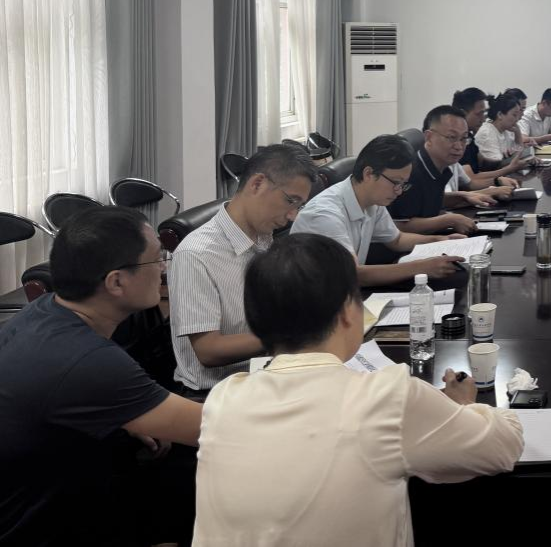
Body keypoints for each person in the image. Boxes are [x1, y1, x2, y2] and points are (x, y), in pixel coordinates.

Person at [192, 233, 523, 546]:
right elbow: (504, 447)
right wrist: (465, 406)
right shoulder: (386, 396)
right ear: (347, 313)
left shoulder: (223, 399)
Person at [0, 207, 203, 546]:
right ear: (116, 281)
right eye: (157, 259)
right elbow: (211, 428)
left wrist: (126, 417)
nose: (164, 268)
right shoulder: (87, 360)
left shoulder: (45, 309)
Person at [169, 143, 319, 394]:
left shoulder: (264, 235)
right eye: (290, 201)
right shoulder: (196, 255)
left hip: (267, 373)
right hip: (218, 392)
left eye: (299, 205)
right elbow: (208, 350)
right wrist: (289, 335)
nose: (293, 215)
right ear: (257, 184)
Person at [290, 134, 467, 287]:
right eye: (395, 183)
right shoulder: (324, 215)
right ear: (369, 174)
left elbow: (397, 239)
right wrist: (421, 267)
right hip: (316, 305)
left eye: (403, 184)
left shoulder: (372, 200)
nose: (399, 191)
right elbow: (354, 274)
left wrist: (440, 241)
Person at [389, 105, 486, 236]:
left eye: (464, 138)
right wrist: (450, 220)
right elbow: (398, 226)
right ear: (429, 137)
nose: (459, 146)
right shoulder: (410, 173)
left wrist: (463, 197)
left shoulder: (439, 166)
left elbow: (428, 201)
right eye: (451, 137)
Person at [452, 86, 524, 187]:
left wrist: (516, 160)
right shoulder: (458, 141)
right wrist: (509, 168)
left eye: (484, 113)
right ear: (463, 114)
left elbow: (484, 163)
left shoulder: (469, 136)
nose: (483, 119)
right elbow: (470, 179)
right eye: (479, 114)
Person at [475, 93, 534, 167]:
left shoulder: (507, 130)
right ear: (500, 114)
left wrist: (517, 132)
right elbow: (498, 165)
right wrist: (525, 159)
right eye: (514, 115)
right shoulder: (487, 133)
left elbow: (518, 153)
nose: (517, 119)